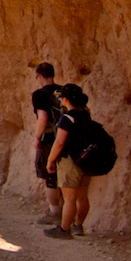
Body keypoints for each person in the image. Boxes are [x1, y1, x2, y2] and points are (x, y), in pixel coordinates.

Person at [45, 83, 94, 238]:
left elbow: (59, 142)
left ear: (65, 99)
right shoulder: (86, 115)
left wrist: (50, 160)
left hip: (70, 162)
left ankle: (64, 230)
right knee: (82, 197)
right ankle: (78, 226)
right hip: (86, 160)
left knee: (69, 199)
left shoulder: (67, 118)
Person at [30, 63, 64, 227]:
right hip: (66, 138)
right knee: (64, 175)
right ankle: (67, 210)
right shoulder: (64, 91)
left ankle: (54, 212)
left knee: (50, 175)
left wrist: (37, 137)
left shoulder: (39, 94)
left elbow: (42, 118)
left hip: (49, 139)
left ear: (39, 75)